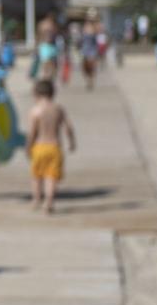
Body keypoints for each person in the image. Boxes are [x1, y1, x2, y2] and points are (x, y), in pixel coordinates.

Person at [24, 78, 77, 213]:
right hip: (54, 147)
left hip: (39, 147)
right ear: (53, 93)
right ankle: (49, 202)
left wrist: (28, 147)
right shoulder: (58, 109)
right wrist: (72, 142)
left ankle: (36, 199)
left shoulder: (35, 111)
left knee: (37, 176)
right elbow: (68, 128)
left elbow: (32, 133)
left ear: (36, 94)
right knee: (51, 177)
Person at [79, 24, 101, 91]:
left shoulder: (94, 34)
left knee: (92, 67)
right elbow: (80, 42)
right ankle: (88, 79)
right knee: (85, 67)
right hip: (85, 51)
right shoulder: (83, 32)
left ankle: (90, 80)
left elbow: (96, 43)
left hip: (92, 51)